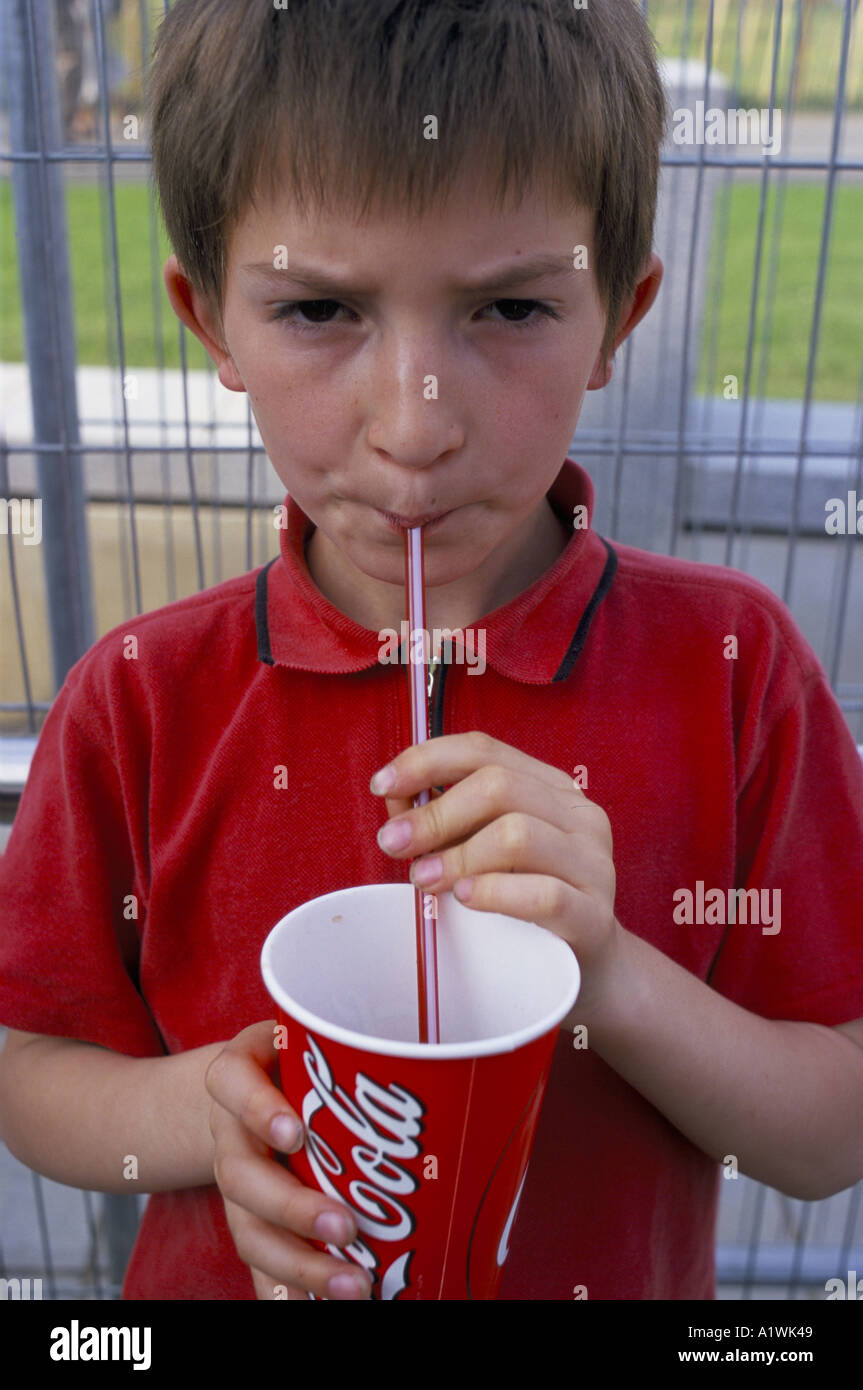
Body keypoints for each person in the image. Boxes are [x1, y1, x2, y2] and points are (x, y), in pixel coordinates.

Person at [1, 0, 862, 1302]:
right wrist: (207, 1116)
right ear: (209, 318)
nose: (416, 426)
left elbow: (829, 1135)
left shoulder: (739, 673)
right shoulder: (138, 701)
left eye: (510, 307)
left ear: (621, 314)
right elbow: (27, 1064)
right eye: (320, 309)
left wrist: (616, 975)